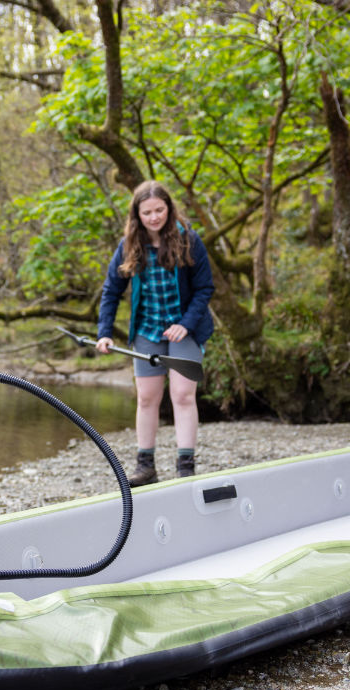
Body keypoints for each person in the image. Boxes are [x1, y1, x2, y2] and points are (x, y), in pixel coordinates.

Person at [96, 181, 215, 486]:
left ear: (169, 208)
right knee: (147, 398)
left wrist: (185, 324)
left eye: (159, 210)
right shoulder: (129, 245)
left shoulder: (189, 240)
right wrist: (104, 332)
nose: (154, 217)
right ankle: (145, 466)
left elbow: (204, 288)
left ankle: (185, 467)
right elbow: (111, 290)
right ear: (137, 214)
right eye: (147, 212)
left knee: (183, 395)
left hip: (183, 331)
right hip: (147, 329)